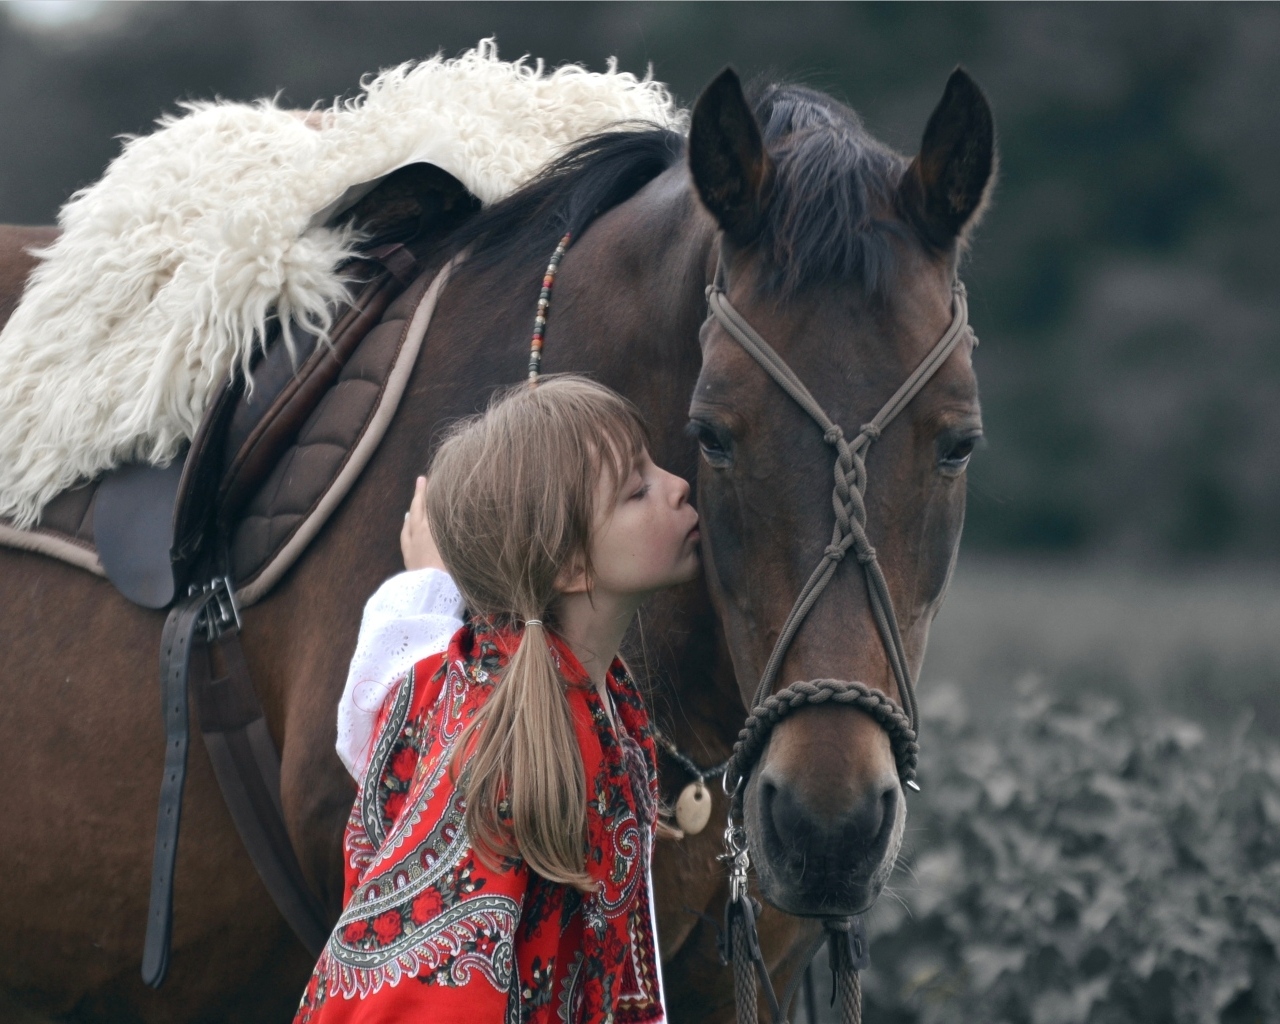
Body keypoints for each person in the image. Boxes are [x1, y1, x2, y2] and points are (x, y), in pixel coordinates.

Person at [295, 375, 700, 1024]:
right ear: (570, 567)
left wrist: (428, 580)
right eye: (637, 490)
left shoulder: (536, 687)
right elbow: (424, 998)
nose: (678, 485)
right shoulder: (503, 757)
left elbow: (400, 698)